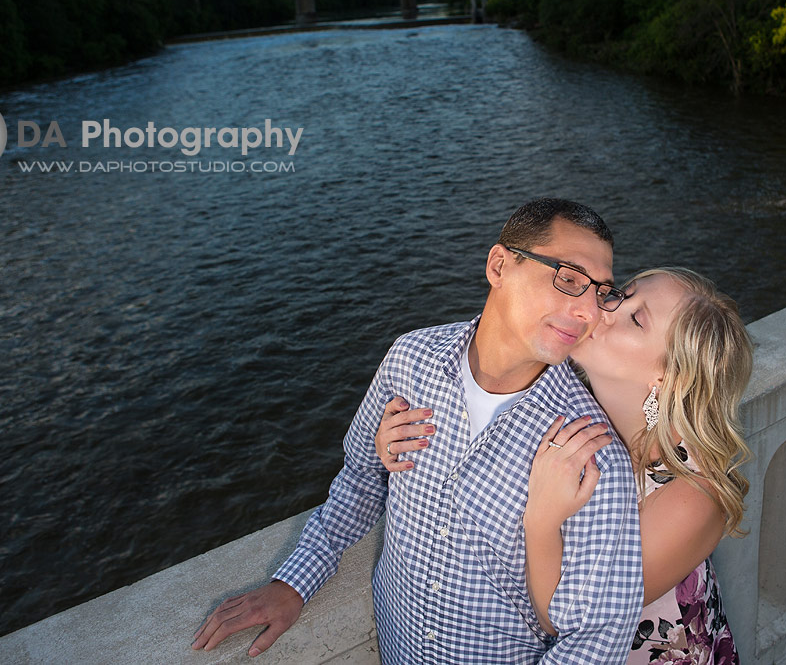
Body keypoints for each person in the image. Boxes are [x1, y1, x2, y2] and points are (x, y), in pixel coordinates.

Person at [192, 198, 645, 663]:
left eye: (600, 291)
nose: (589, 311)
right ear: (499, 266)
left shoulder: (589, 450)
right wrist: (294, 582)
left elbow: (596, 638)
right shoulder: (411, 361)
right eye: (568, 279)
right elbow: (362, 477)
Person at [378, 267, 752, 663]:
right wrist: (399, 440)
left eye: (636, 318)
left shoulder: (691, 498)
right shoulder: (568, 406)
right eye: (623, 294)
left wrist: (542, 521)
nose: (603, 307)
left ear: (667, 379)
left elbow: (562, 621)